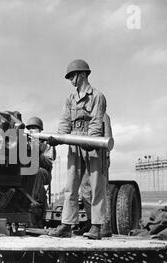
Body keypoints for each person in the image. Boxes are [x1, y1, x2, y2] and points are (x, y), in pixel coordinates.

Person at [48, 59, 108, 240]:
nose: (71, 80)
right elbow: (65, 121)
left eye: (73, 76)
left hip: (93, 142)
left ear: (83, 74)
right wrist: (58, 138)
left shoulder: (97, 96)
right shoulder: (70, 98)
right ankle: (66, 224)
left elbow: (97, 120)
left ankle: (97, 226)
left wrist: (90, 140)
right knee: (71, 185)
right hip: (75, 142)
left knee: (96, 185)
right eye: (69, 78)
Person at [73, 112, 113, 237]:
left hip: (98, 155)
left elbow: (108, 137)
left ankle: (105, 226)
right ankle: (91, 223)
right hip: (84, 156)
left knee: (100, 191)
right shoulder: (81, 118)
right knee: (85, 190)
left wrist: (106, 156)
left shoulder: (103, 116)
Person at [24, 116, 56, 227]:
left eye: (34, 127)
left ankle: (35, 207)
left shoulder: (47, 143)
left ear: (40, 130)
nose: (31, 130)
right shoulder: (25, 141)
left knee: (38, 172)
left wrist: (37, 152)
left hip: (44, 173)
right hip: (27, 172)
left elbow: (49, 162)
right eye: (29, 128)